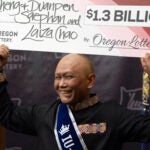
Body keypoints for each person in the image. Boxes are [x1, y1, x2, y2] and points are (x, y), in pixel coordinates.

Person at [0, 44, 150, 150]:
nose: (61, 84)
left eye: (69, 76)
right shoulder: (44, 114)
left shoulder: (113, 115)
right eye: (58, 77)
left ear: (90, 80)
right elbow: (6, 114)